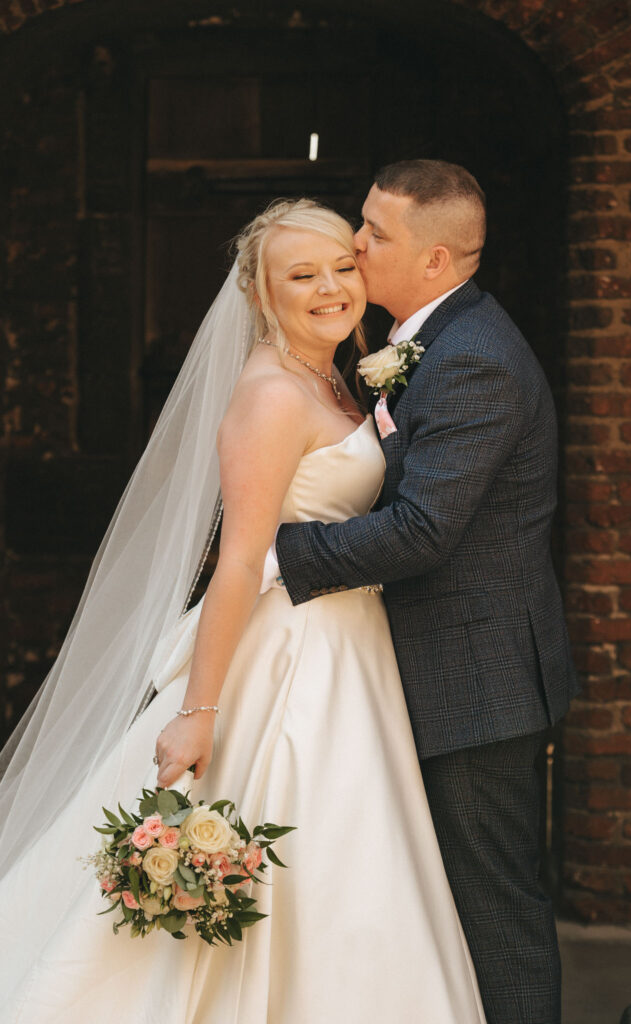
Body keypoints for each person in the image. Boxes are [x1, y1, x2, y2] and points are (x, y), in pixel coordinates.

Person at [0, 199, 486, 1023]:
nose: (331, 287)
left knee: (351, 860)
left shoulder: (334, 374)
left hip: (350, 646)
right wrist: (197, 709)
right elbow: (236, 563)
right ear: (261, 296)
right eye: (302, 275)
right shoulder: (267, 397)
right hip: (294, 656)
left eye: (342, 265)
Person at [263, 161, 579, 1024]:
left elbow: (422, 530)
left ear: (434, 261)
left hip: (475, 681)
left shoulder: (474, 360)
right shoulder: (427, 339)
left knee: (493, 912)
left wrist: (274, 553)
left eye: (374, 233)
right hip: (436, 666)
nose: (354, 244)